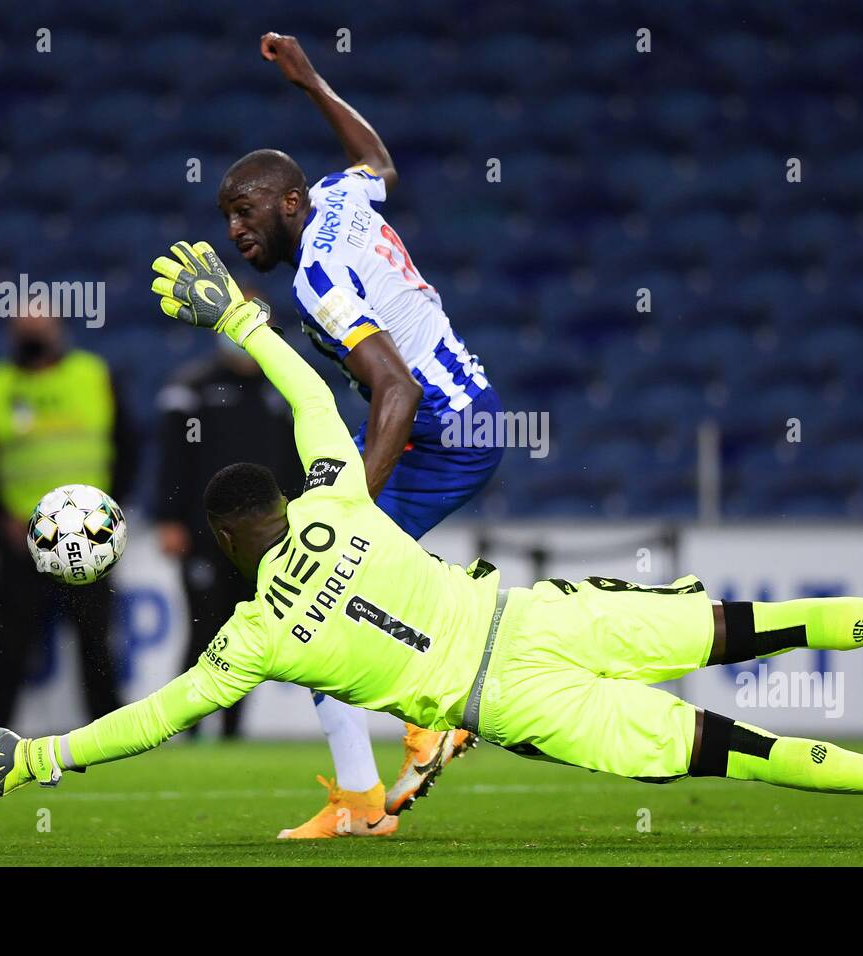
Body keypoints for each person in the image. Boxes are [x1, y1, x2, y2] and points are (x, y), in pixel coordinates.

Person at [0, 245, 863, 831]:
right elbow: (306, 391)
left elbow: (155, 717)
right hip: (545, 611)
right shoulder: (339, 494)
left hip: (515, 702)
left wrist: (41, 752)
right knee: (756, 625)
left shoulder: (251, 640)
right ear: (281, 507)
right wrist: (239, 313)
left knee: (740, 748)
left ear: (233, 546)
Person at [210, 32, 506, 834]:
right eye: (227, 218)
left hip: (444, 428)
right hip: (465, 416)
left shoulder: (317, 279)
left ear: (289, 203)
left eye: (245, 212)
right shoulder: (340, 199)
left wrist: (348, 515)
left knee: (314, 592)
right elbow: (379, 159)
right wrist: (310, 81)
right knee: (330, 598)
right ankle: (393, 762)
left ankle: (383, 778)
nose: (235, 233)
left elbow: (397, 390)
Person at [0, 310, 138, 734]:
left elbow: (129, 446)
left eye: (41, 326)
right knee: (11, 645)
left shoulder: (93, 375)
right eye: (26, 327)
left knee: (96, 642)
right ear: (11, 333)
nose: (34, 334)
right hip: (22, 540)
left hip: (90, 538)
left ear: (59, 330)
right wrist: (1, 518)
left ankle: (111, 731)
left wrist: (112, 510)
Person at [155, 336, 305, 738]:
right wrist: (169, 518)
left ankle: (230, 733)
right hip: (203, 534)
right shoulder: (192, 389)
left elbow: (294, 464)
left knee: (246, 633)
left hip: (262, 540)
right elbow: (173, 458)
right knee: (203, 629)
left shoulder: (280, 390)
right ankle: (186, 728)